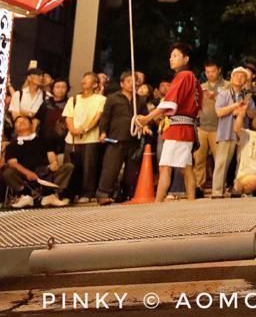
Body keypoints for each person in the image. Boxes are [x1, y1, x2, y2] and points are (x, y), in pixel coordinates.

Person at [136, 42, 201, 202]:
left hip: (178, 128)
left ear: (185, 59)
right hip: (187, 127)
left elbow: (169, 103)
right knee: (186, 168)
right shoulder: (194, 79)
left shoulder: (183, 76)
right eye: (171, 56)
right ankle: (191, 201)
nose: (171, 59)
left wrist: (146, 118)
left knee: (165, 166)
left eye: (175, 56)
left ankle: (158, 203)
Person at [95, 71, 147, 204]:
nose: (132, 84)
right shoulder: (112, 98)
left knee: (131, 170)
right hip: (116, 137)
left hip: (133, 138)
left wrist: (145, 127)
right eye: (129, 81)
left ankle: (127, 195)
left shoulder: (140, 100)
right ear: (122, 83)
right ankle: (103, 194)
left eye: (134, 81)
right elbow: (105, 117)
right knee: (111, 167)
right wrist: (103, 132)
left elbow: (144, 117)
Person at [2, 115, 72, 207]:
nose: (21, 122)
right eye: (18, 122)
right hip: (23, 174)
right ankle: (26, 195)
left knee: (68, 167)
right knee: (8, 172)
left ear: (32, 125)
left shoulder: (44, 140)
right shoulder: (12, 145)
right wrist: (27, 173)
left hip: (45, 172)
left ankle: (50, 195)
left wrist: (54, 163)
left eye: (24, 120)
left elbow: (51, 155)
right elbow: (13, 163)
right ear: (15, 128)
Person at [62, 72, 106, 202]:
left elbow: (97, 117)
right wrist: (73, 129)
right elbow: (68, 117)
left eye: (87, 81)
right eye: (83, 80)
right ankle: (68, 193)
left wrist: (85, 129)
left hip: (90, 138)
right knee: (69, 166)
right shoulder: (73, 99)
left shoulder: (100, 99)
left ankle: (87, 193)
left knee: (89, 167)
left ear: (95, 84)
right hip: (72, 138)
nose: (83, 83)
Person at [213, 67, 256, 197]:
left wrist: (245, 109)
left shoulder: (247, 96)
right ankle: (217, 191)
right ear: (231, 78)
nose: (239, 78)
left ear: (246, 80)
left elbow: (254, 115)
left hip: (243, 134)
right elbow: (219, 112)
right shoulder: (224, 94)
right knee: (222, 163)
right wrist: (235, 106)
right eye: (236, 75)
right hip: (227, 132)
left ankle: (237, 190)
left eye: (242, 76)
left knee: (241, 163)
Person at [194, 61, 227, 191]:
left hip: (218, 127)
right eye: (207, 72)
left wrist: (216, 96)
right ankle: (198, 185)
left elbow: (231, 101)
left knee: (219, 160)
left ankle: (219, 187)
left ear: (219, 70)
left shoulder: (226, 85)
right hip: (202, 127)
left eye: (213, 71)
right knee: (199, 159)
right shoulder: (201, 87)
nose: (210, 74)